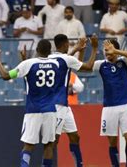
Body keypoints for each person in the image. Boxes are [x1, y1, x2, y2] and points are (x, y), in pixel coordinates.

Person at [0, 36, 97, 167]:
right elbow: (70, 63)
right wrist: (88, 48)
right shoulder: (57, 65)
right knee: (49, 145)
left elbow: (5, 75)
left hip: (34, 110)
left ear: (37, 49)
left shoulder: (29, 63)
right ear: (50, 51)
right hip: (51, 109)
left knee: (28, 146)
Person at [48, 35, 99, 167]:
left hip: (64, 105)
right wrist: (94, 48)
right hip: (56, 104)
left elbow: (74, 66)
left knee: (75, 136)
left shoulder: (51, 58)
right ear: (65, 44)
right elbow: (87, 67)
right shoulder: (65, 58)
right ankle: (46, 164)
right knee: (54, 141)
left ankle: (79, 165)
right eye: (68, 44)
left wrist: (79, 49)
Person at [90, 39, 127, 167]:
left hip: (125, 105)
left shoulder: (124, 62)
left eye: (109, 50)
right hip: (109, 107)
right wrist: (94, 49)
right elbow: (86, 67)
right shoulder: (101, 64)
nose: (107, 53)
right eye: (105, 51)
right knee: (112, 141)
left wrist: (115, 51)